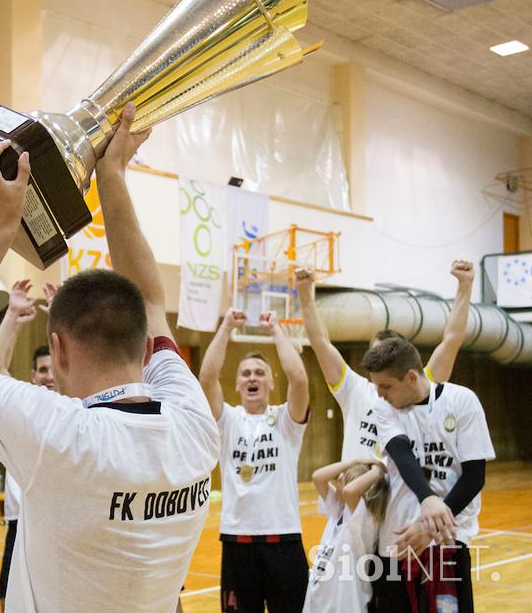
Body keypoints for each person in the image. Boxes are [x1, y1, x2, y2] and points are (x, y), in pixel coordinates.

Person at [0, 103, 220, 611]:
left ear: (58, 348)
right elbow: (154, 301)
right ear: (146, 348)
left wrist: (1, 229)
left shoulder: (56, 433)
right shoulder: (193, 421)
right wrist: (112, 174)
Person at [363, 338, 494, 613]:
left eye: (386, 386)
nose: (380, 394)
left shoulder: (462, 400)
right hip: (395, 544)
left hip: (446, 542)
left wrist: (428, 526)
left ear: (411, 376)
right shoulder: (383, 408)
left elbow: (474, 477)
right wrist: (427, 498)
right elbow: (402, 454)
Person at [295, 261, 473, 461]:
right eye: (376, 353)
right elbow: (320, 342)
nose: (380, 360)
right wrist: (305, 294)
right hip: (357, 490)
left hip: (403, 491)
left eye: (388, 355)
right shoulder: (354, 389)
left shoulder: (421, 386)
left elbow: (451, 341)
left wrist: (464, 286)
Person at [198, 308, 311, 613]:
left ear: (271, 382)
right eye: (245, 373)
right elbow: (207, 378)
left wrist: (276, 329)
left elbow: (299, 380)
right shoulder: (229, 420)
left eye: (259, 373)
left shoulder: (286, 421)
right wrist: (224, 328)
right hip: (238, 541)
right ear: (236, 385)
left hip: (283, 539)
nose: (252, 377)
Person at [0, 281, 53, 611]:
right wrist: (11, 315)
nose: (49, 376)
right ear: (32, 376)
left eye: (54, 368)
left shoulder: (79, 407)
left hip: (58, 521)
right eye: (42, 370)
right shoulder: (26, 406)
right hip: (20, 521)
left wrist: (61, 320)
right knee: (7, 599)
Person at [302, 458, 388, 612]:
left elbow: (350, 491)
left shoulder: (363, 519)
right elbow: (318, 477)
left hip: (345, 605)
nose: (338, 480)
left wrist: (378, 470)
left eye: (343, 479)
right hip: (319, 601)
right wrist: (354, 461)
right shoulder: (337, 510)